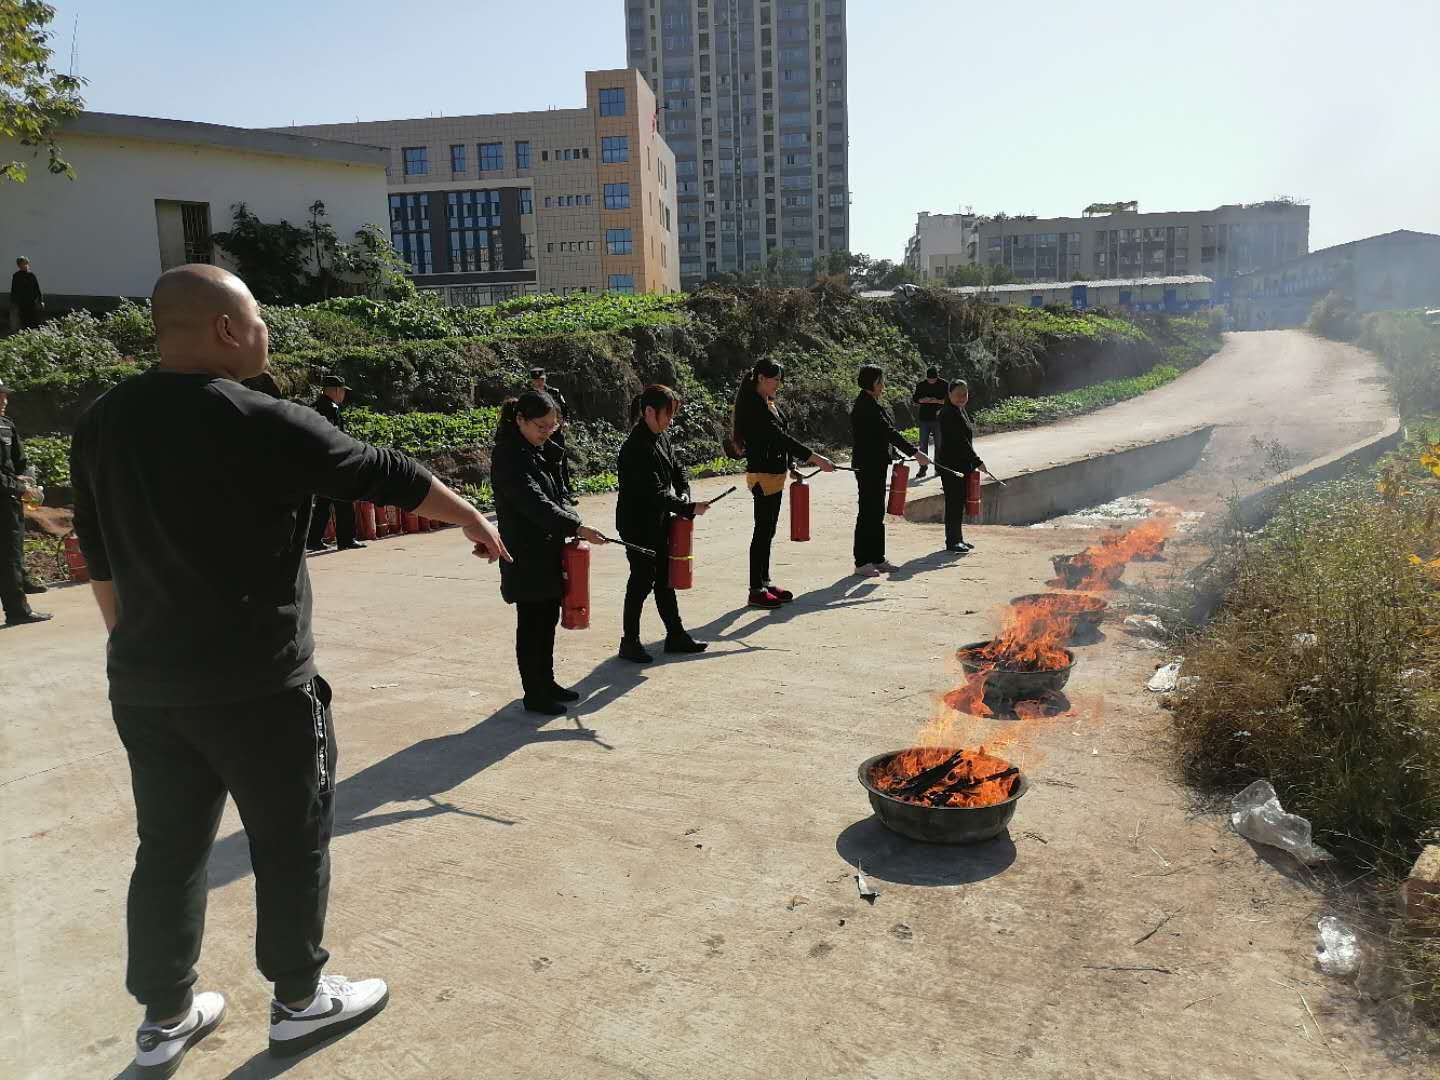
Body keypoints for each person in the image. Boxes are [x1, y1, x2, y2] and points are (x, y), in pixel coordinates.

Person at [69, 264, 511, 1075]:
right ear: (227, 329)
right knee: (290, 838)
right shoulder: (260, 418)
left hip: (147, 689)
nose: (266, 331)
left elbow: (97, 551)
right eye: (258, 316)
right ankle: (301, 1000)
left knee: (167, 849)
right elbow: (387, 472)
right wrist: (473, 518)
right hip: (260, 689)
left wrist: (133, 649)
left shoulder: (101, 421)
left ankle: (165, 1018)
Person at [491, 389, 608, 715]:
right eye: (540, 426)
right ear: (521, 420)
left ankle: (547, 682)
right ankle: (534, 693)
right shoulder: (509, 456)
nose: (546, 433)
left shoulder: (537, 451)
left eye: (552, 426)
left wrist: (572, 518)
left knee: (546, 622)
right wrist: (576, 527)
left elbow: (557, 495)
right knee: (532, 625)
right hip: (524, 554)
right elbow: (535, 504)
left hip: (546, 551)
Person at [728, 359, 834, 608]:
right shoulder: (754, 407)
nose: (778, 384)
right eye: (775, 379)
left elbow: (781, 439)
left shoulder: (768, 403)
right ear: (761, 378)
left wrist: (791, 465)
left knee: (768, 531)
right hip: (762, 476)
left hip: (775, 474)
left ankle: (765, 582)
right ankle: (755, 589)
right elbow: (779, 438)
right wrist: (816, 458)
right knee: (762, 532)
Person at [616, 385, 710, 662]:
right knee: (641, 580)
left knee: (665, 579)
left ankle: (675, 634)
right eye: (667, 415)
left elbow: (677, 468)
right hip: (636, 525)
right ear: (649, 412)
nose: (670, 421)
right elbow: (653, 492)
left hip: (658, 520)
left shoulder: (661, 437)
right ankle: (629, 641)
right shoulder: (635, 448)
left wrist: (684, 492)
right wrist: (688, 507)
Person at [850, 364, 929, 577]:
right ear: (872, 383)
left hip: (877, 464)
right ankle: (862, 561)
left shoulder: (873, 403)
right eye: (880, 382)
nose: (883, 386)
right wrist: (915, 452)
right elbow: (888, 432)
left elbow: (882, 436)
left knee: (876, 512)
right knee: (867, 512)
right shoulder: (865, 406)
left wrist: (895, 453)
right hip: (866, 465)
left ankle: (877, 557)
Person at [0, 380, 51, 626]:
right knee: (8, 556)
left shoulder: (6, 425)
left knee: (13, 550)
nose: (4, 401)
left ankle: (19, 584)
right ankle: (17, 611)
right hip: (6, 495)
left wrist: (27, 481)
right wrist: (20, 487)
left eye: (4, 396)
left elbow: (19, 462)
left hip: (9, 500)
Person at [305, 375, 362, 552]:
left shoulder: (314, 407)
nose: (344, 394)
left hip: (319, 463)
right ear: (337, 390)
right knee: (344, 499)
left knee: (323, 502)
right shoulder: (330, 409)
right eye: (343, 391)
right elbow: (332, 436)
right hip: (333, 461)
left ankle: (313, 540)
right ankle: (346, 539)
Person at [937, 378, 986, 553]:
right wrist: (977, 460)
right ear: (949, 394)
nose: (962, 398)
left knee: (958, 502)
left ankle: (958, 538)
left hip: (960, 465)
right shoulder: (948, 413)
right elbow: (960, 441)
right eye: (958, 394)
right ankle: (952, 541)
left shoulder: (959, 410)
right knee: (954, 503)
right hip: (951, 466)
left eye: (964, 394)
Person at [529, 367, 575, 501]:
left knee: (561, 462)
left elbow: (565, 410)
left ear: (545, 379)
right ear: (532, 382)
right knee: (541, 463)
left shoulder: (554, 393)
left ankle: (566, 492)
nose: (539, 383)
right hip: (538, 435)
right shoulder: (529, 396)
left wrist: (565, 422)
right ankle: (549, 493)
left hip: (556, 433)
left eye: (541, 380)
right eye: (536, 381)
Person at [910, 367, 949, 478]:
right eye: (929, 380)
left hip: (939, 419)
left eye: (934, 379)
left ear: (937, 377)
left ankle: (938, 468)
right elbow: (915, 399)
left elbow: (949, 400)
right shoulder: (921, 385)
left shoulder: (944, 384)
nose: (931, 381)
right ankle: (923, 468)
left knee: (939, 445)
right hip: (924, 418)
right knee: (923, 445)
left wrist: (937, 401)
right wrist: (922, 400)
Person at [10, 256, 43, 330]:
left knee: (33, 321)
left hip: (32, 303)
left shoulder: (31, 275)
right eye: (23, 264)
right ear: (19, 265)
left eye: (26, 263)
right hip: (21, 303)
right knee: (24, 321)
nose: (25, 265)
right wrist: (13, 302)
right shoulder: (16, 276)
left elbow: (37, 289)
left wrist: (41, 300)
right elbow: (14, 290)